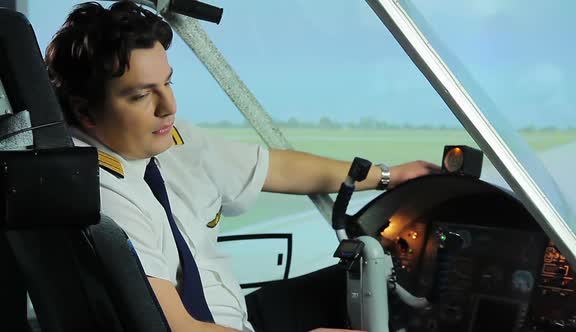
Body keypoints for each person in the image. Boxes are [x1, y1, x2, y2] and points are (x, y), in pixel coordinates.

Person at [45, 1, 439, 331]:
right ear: (85, 111)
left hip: (236, 316)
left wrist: (388, 176)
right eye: (141, 96)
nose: (169, 106)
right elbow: (173, 329)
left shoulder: (165, 138)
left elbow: (274, 168)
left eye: (168, 83)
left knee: (372, 283)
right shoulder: (99, 192)